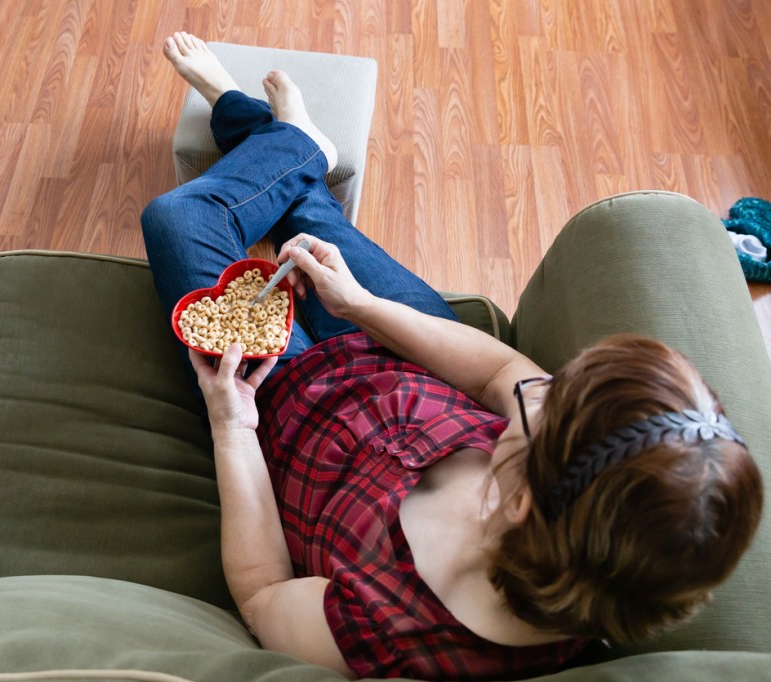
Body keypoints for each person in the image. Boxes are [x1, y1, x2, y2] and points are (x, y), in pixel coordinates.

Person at [141, 33, 764, 681]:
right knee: (307, 218)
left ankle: (285, 138)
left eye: (544, 402)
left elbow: (263, 591)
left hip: (285, 399)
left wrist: (231, 426)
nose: (537, 384)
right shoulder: (571, 491)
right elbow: (498, 371)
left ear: (522, 499)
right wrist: (358, 305)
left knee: (180, 216)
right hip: (404, 349)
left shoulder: (389, 634)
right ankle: (285, 139)